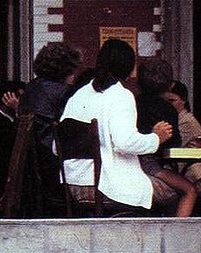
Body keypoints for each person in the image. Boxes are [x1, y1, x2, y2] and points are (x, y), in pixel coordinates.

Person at [60, 39, 174, 211]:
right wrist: (156, 138)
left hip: (73, 184)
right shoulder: (121, 95)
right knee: (173, 194)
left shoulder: (79, 95)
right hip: (105, 185)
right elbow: (124, 142)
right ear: (129, 70)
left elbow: (57, 146)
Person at [17, 42, 82, 210]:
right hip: (54, 170)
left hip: (30, 173)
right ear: (66, 70)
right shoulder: (65, 93)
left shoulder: (30, 89)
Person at [136, 58, 196, 217]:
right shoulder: (167, 109)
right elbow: (173, 145)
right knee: (190, 190)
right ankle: (178, 236)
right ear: (170, 85)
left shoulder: (132, 102)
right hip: (151, 164)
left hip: (132, 164)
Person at [163, 81, 201, 195]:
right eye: (165, 101)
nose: (168, 105)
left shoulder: (186, 121)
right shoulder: (177, 119)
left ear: (184, 101)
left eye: (172, 100)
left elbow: (168, 144)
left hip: (191, 175)